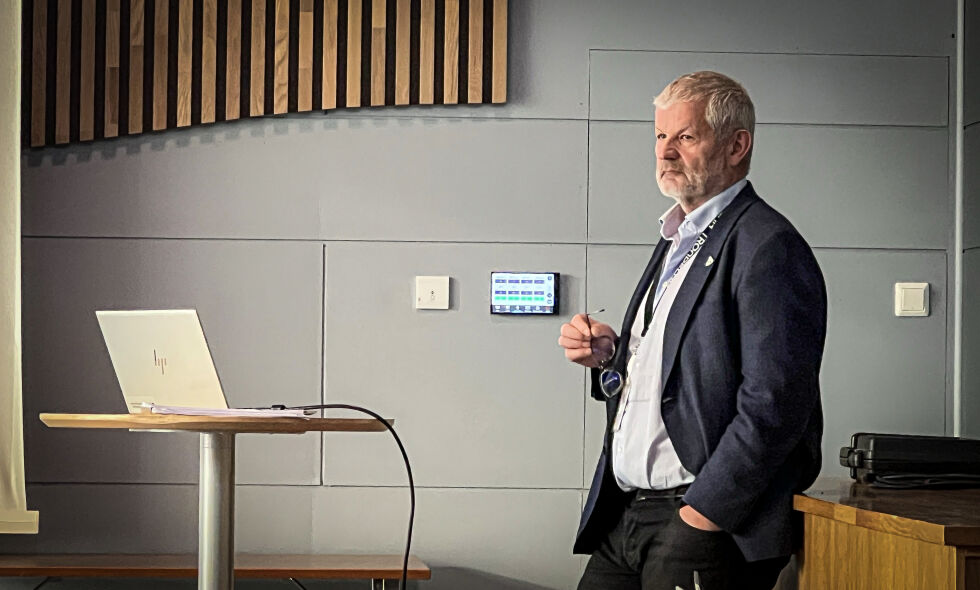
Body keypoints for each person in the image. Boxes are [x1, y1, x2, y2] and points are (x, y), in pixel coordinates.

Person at [558, 71, 827, 590]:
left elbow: (776, 403)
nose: (665, 152)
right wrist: (613, 356)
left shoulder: (767, 244)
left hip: (702, 523)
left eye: (685, 137)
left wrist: (705, 513)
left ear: (736, 145)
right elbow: (685, 366)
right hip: (629, 515)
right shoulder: (677, 237)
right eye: (660, 137)